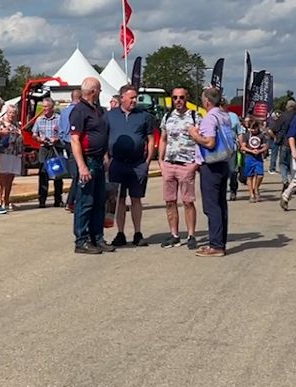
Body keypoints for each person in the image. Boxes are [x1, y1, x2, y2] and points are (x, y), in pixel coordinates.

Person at [70, 77, 114, 254]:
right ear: (93, 91)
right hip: (87, 161)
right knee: (85, 202)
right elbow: (75, 140)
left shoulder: (97, 110)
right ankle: (81, 240)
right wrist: (82, 166)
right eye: (99, 90)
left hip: (98, 160)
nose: (100, 93)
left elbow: (100, 134)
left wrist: (104, 154)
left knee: (98, 201)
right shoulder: (80, 111)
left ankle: (97, 237)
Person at [107, 85, 155, 246]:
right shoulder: (110, 116)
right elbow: (104, 137)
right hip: (117, 164)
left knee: (136, 199)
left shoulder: (144, 116)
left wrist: (147, 161)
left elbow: (151, 139)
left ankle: (137, 233)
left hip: (137, 165)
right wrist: (106, 158)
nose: (134, 100)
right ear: (122, 98)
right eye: (131, 97)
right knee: (119, 200)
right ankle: (120, 233)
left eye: (136, 97)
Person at [187, 86, 231, 256]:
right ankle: (220, 242)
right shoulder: (224, 115)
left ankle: (215, 245)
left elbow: (210, 143)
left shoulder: (209, 118)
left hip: (211, 165)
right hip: (223, 162)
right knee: (221, 205)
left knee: (211, 206)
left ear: (206, 101)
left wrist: (193, 134)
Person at [158, 86, 199, 249]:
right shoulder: (167, 117)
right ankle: (174, 234)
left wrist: (195, 164)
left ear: (186, 98)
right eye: (175, 98)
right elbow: (163, 139)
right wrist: (161, 160)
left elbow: (201, 141)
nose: (178, 101)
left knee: (188, 202)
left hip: (186, 164)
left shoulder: (195, 117)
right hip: (169, 164)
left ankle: (191, 235)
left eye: (181, 97)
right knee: (170, 201)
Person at [32, 97, 65, 208]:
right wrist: (39, 139)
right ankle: (42, 200)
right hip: (44, 149)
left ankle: (58, 200)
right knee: (43, 175)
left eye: (46, 107)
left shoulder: (59, 119)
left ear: (52, 107)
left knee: (57, 175)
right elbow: (34, 134)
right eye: (43, 107)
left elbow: (64, 134)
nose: (44, 109)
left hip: (56, 148)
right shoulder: (39, 120)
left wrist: (57, 139)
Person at [0, 102, 22, 210]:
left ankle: (7, 200)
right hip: (4, 153)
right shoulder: (0, 124)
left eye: (14, 113)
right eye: (10, 112)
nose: (12, 114)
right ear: (6, 113)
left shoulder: (17, 125)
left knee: (10, 179)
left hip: (15, 154)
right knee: (2, 179)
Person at [60, 88, 83, 211]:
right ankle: (71, 201)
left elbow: (61, 130)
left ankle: (72, 200)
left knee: (75, 172)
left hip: (67, 143)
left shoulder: (63, 112)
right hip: (76, 142)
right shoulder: (79, 111)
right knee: (78, 173)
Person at [240, 118, 268, 202]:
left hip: (258, 157)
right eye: (251, 128)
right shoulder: (246, 135)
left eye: (254, 129)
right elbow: (243, 146)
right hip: (249, 157)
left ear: (257, 128)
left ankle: (256, 188)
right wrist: (251, 150)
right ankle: (251, 194)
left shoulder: (261, 135)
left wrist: (260, 150)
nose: (252, 130)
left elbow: (265, 146)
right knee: (249, 176)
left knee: (260, 175)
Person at [274, 100, 296, 182]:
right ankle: (293, 182)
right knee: (294, 164)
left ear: (287, 106)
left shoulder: (283, 116)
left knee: (283, 163)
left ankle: (285, 180)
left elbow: (276, 128)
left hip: (285, 142)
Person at [226, 107, 243, 200]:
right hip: (219, 150)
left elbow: (239, 132)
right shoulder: (214, 116)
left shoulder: (233, 116)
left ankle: (233, 190)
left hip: (232, 148)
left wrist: (241, 145)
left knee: (233, 171)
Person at [266, 109, 283, 173]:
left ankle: (273, 168)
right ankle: (272, 168)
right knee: (274, 155)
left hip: (276, 140)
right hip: (274, 140)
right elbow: (269, 131)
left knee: (275, 155)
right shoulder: (273, 122)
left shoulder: (273, 121)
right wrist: (274, 137)